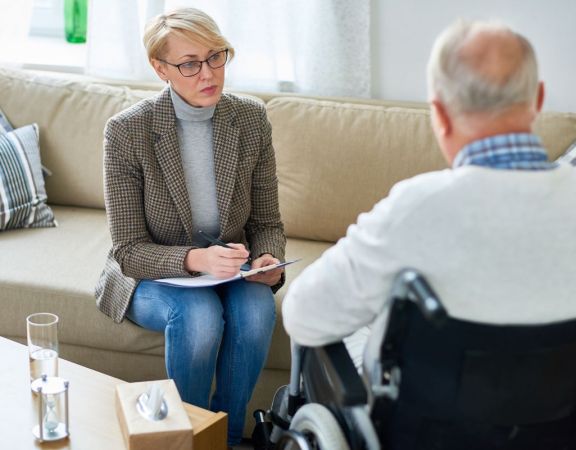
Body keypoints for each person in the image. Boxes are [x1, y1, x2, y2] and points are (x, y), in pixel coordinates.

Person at [282, 20, 576, 364]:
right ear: (538, 100)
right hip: (558, 411)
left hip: (428, 413)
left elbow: (304, 316)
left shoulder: (415, 207)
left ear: (439, 114)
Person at [94, 8, 286, 446]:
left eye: (216, 57)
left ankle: (230, 437)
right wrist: (195, 259)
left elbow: (267, 222)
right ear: (160, 68)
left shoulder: (250, 119)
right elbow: (128, 249)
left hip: (229, 267)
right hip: (151, 274)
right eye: (189, 64)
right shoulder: (128, 131)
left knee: (256, 311)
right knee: (199, 317)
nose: (209, 73)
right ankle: (190, 439)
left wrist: (267, 259)